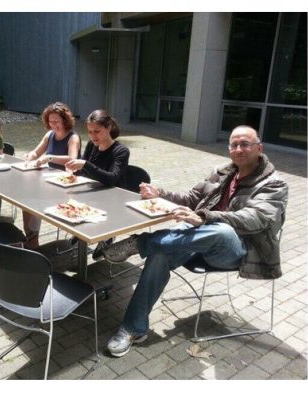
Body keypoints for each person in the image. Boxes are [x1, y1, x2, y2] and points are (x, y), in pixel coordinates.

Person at [99, 126, 288, 357]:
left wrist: (203, 217)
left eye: (245, 144)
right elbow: (191, 198)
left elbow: (255, 218)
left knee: (223, 231)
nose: (239, 149)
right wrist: (159, 193)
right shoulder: (222, 172)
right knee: (160, 254)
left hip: (237, 250)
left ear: (259, 148)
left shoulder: (274, 184)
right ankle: (133, 329)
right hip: (194, 239)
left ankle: (142, 243)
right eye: (234, 144)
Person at [21, 101, 81, 249]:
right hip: (50, 181)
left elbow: (72, 159)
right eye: (51, 121)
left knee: (34, 200)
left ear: (65, 120)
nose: (54, 125)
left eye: (57, 121)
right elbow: (37, 152)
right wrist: (30, 155)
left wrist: (49, 157)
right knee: (25, 198)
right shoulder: (49, 135)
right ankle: (29, 235)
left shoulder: (73, 137)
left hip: (67, 184)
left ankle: (33, 240)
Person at [63, 109, 130, 188]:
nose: (93, 136)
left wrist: (85, 165)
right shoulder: (91, 145)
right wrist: (73, 170)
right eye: (90, 132)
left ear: (108, 128)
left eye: (97, 131)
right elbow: (83, 172)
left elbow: (112, 179)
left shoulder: (121, 151)